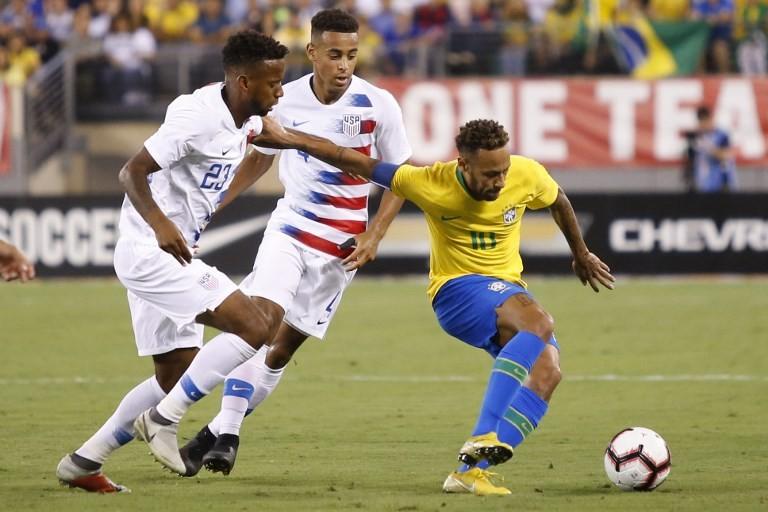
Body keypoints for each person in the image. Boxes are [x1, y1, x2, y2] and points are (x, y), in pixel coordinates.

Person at [251, 117, 615, 496]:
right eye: (490, 174)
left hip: (504, 290)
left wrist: (582, 254)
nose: (500, 181)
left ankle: (469, 473)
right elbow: (350, 158)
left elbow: (559, 201)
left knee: (547, 373)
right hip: (456, 293)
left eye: (504, 171)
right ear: (464, 165)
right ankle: (483, 434)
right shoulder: (428, 182)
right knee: (538, 321)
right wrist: (287, 138)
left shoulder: (526, 173)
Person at [175, 8, 412, 477]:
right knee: (259, 325)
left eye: (351, 55)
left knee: (279, 351)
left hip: (342, 250)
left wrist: (374, 233)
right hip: (290, 230)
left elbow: (401, 177)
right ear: (312, 53)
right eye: (334, 55)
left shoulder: (379, 104)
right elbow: (259, 161)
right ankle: (228, 437)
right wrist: (211, 206)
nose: (344, 65)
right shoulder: (284, 99)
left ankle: (214, 434)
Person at [55, 30, 288, 493]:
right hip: (151, 251)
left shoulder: (246, 119)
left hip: (168, 255)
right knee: (258, 327)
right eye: (273, 83)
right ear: (244, 82)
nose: (279, 90)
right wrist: (162, 225)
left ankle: (83, 462)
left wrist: (350, 160)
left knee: (176, 373)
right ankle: (163, 420)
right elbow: (132, 171)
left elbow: (276, 139)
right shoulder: (195, 117)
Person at [687, 105, 737, 193]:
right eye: (700, 121)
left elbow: (726, 156)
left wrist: (710, 148)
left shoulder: (721, 135)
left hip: (720, 184)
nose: (702, 125)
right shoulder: (697, 137)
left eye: (705, 121)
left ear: (710, 119)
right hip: (703, 184)